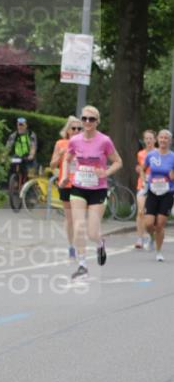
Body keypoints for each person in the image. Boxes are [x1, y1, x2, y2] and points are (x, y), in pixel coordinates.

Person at [61, 105, 122, 280]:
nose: (87, 122)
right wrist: (65, 176)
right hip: (79, 187)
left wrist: (107, 172)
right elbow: (67, 159)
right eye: (85, 118)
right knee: (79, 226)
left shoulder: (104, 141)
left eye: (91, 119)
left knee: (92, 233)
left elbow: (118, 161)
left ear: (97, 122)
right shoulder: (75, 140)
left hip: (98, 189)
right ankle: (82, 265)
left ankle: (100, 243)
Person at [50, 115, 82, 260]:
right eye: (73, 128)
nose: (76, 131)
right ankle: (71, 246)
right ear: (68, 130)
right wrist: (60, 156)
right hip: (66, 184)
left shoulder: (85, 143)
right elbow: (52, 166)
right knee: (70, 218)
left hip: (81, 184)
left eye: (79, 128)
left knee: (78, 217)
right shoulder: (61, 143)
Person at [141, 129, 174, 263]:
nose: (163, 140)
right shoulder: (151, 155)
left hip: (167, 192)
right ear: (157, 139)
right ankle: (151, 236)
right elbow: (143, 169)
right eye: (161, 137)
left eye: (166, 138)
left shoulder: (172, 156)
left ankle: (159, 251)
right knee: (149, 223)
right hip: (153, 191)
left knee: (160, 224)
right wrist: (144, 181)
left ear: (170, 141)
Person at [135, 129, 156, 249]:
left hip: (156, 185)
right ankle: (140, 238)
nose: (148, 140)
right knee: (141, 211)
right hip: (143, 183)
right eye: (146, 138)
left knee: (152, 214)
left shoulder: (158, 153)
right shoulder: (141, 154)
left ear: (155, 139)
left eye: (150, 138)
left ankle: (150, 236)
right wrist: (142, 177)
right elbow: (140, 168)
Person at [5, 116, 37, 189]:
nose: (20, 127)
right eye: (19, 125)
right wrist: (3, 156)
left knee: (30, 172)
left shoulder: (31, 134)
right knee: (9, 166)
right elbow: (8, 147)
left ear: (26, 126)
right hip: (17, 156)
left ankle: (30, 189)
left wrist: (31, 155)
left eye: (22, 125)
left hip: (28, 156)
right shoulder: (14, 135)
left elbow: (33, 146)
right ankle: (14, 181)